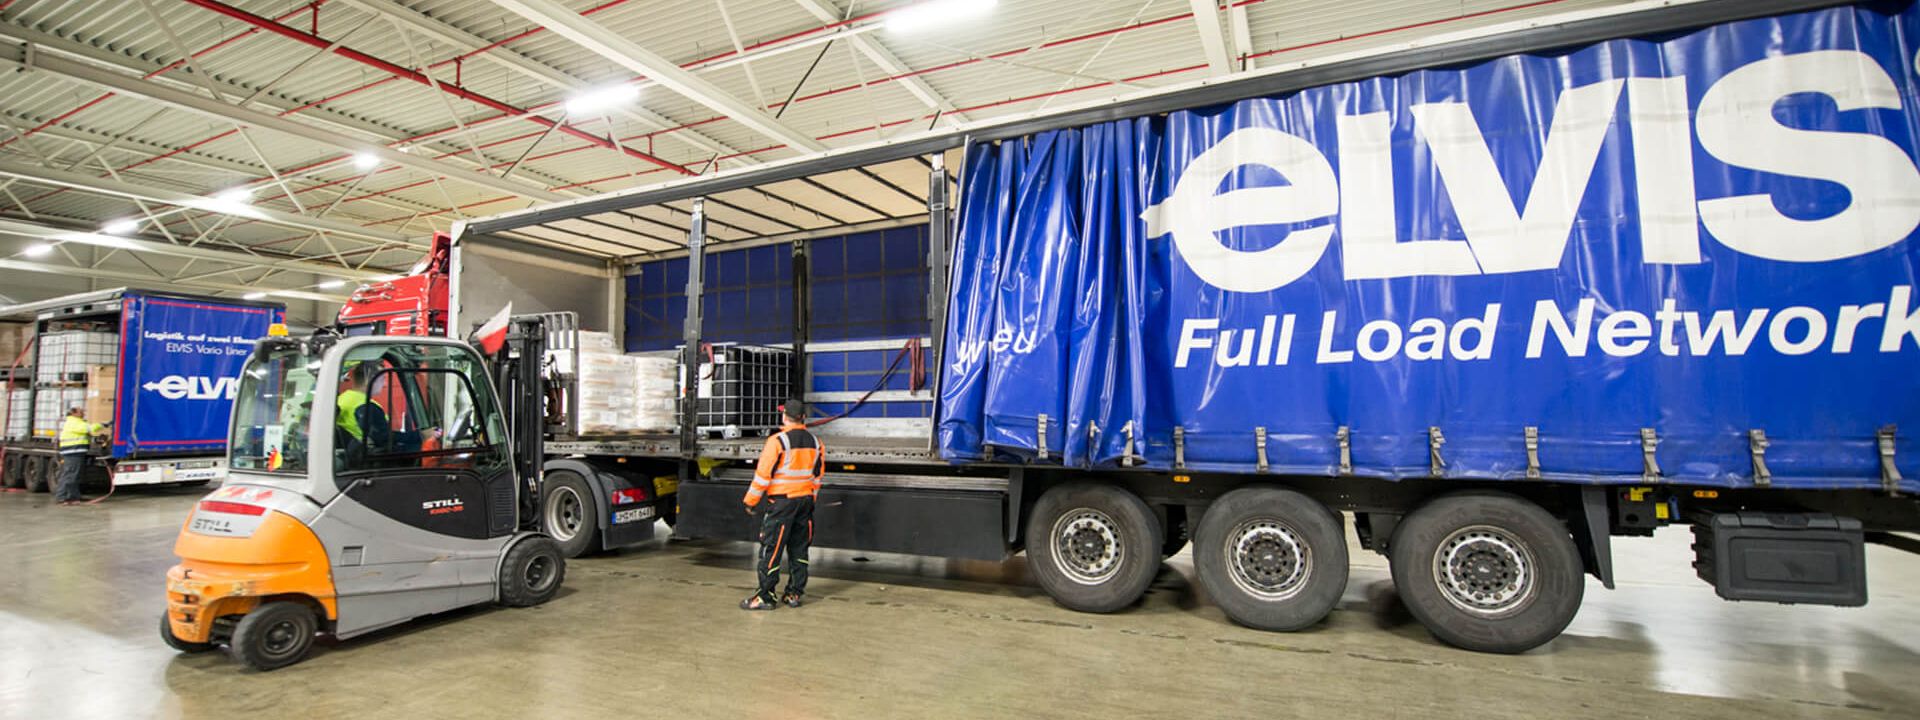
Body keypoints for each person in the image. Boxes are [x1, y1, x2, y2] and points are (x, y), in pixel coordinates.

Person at [740, 400, 824, 611]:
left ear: (784, 417)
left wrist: (750, 501)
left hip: (782, 504)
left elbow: (762, 476)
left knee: (772, 549)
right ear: (803, 418)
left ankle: (765, 597)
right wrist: (810, 499)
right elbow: (817, 477)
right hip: (805, 502)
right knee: (799, 550)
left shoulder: (777, 441)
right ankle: (794, 594)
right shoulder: (816, 442)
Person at [335, 362, 437, 468]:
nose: (384, 384)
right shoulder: (367, 407)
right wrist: (421, 436)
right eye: (382, 378)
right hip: (372, 461)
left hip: (356, 456)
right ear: (369, 378)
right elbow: (384, 439)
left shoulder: (342, 399)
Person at [54, 404, 106, 506]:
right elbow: (90, 428)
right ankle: (62, 497)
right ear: (74, 413)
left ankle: (74, 497)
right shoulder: (74, 422)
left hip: (75, 451)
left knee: (75, 475)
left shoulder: (76, 422)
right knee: (70, 475)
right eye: (81, 411)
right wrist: (103, 424)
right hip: (73, 451)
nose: (83, 413)